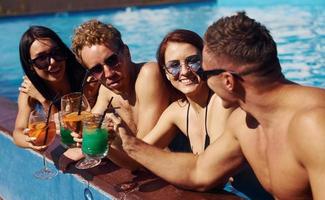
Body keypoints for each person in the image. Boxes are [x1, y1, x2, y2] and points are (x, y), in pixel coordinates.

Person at [114, 12, 325, 199]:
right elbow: (198, 172)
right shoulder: (244, 122)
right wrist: (131, 144)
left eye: (203, 68)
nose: (191, 73)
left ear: (227, 81)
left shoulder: (314, 124)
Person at [108, 29, 271, 199]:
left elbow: (215, 177)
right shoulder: (176, 112)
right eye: (174, 65)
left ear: (206, 62)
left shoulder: (223, 103)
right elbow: (135, 160)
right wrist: (105, 145)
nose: (185, 71)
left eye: (193, 61)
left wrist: (134, 145)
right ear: (166, 73)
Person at [70, 19, 171, 167]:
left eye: (112, 60)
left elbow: (142, 156)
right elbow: (91, 130)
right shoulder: (106, 90)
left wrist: (105, 144)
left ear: (127, 52)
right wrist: (82, 136)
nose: (109, 74)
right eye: (97, 69)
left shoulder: (149, 74)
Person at [13, 26, 98, 150]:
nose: (52, 61)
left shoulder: (84, 77)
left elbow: (75, 128)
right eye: (42, 58)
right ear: (30, 65)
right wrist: (30, 142)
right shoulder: (30, 89)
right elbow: (17, 133)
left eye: (56, 52)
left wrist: (44, 101)